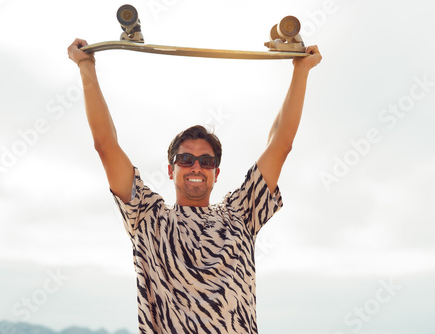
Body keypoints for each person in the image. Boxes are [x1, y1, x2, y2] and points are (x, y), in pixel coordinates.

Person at [68, 38, 321, 333]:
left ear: (216, 173)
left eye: (206, 161)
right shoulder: (147, 217)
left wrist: (300, 70)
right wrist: (86, 66)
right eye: (186, 159)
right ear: (171, 169)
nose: (196, 167)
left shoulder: (239, 214)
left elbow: (280, 143)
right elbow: (105, 145)